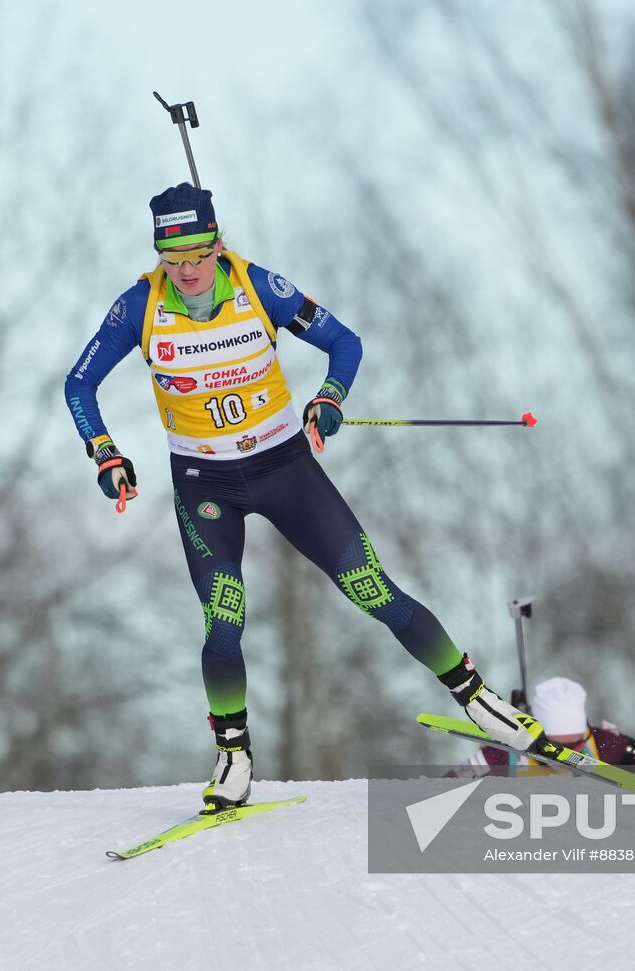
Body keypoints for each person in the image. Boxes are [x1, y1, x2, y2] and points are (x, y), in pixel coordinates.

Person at [64, 182, 556, 812]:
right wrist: (104, 450)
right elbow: (80, 385)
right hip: (204, 483)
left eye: (197, 254)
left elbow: (345, 344)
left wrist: (330, 398)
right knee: (224, 617)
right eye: (172, 259)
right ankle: (234, 755)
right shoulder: (138, 307)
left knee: (371, 588)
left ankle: (477, 698)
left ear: (217, 243)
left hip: (284, 467)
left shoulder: (260, 287)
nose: (186, 271)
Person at [454, 663, 635, 777]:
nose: (564, 756)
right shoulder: (505, 755)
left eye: (575, 747)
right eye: (552, 748)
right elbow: (447, 787)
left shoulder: (604, 746)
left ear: (585, 733)